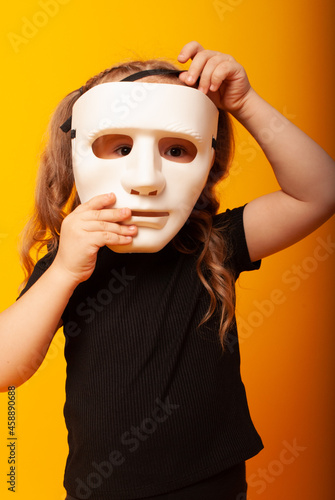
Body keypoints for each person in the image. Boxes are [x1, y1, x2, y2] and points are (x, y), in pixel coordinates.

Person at [0, 40, 334, 499]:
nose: (147, 180)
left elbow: (319, 192)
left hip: (211, 486)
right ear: (75, 154)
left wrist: (245, 103)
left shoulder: (213, 243)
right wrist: (63, 271)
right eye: (118, 147)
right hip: (103, 489)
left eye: (177, 150)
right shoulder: (70, 260)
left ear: (209, 161)